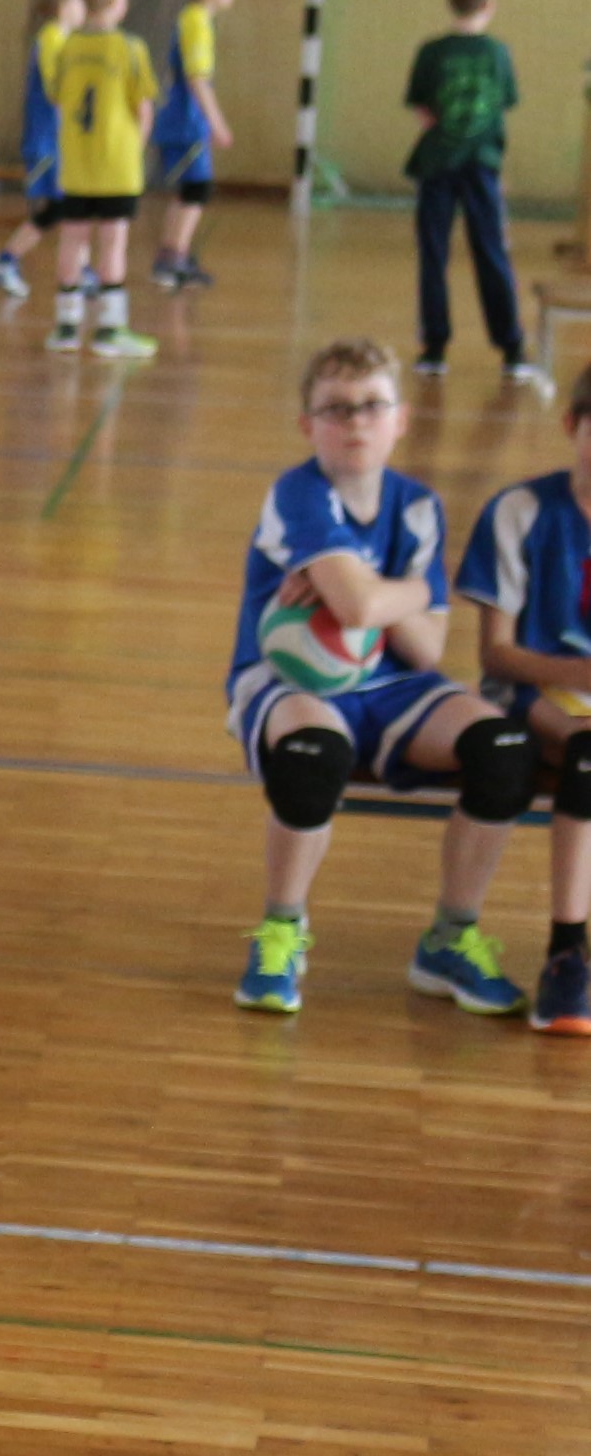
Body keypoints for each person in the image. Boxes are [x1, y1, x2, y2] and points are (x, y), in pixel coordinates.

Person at [227, 338, 531, 1016]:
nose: (356, 422)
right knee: (313, 756)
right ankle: (281, 931)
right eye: (336, 409)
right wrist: (410, 590)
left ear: (401, 420)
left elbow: (424, 649)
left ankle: (450, 938)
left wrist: (368, 591)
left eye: (372, 406)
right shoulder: (299, 494)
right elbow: (362, 609)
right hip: (289, 681)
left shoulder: (418, 506)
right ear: (307, 425)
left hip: (394, 685)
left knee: (504, 750)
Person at [452, 365, 591, 1031]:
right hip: (531, 690)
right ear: (571, 426)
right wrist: (578, 673)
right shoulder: (522, 511)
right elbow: (496, 654)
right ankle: (567, 953)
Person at [404, 0, 550, 388]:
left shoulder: (431, 51)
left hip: (437, 164)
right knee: (492, 252)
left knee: (434, 254)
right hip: (481, 166)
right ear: (488, 4)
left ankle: (434, 349)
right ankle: (512, 350)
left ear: (451, 1)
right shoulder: (498, 53)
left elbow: (423, 109)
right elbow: (501, 106)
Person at [45, 0, 157, 360]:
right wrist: (136, 147)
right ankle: (109, 329)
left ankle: (66, 326)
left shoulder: (68, 48)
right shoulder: (130, 49)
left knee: (72, 240)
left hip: (76, 165)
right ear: (115, 2)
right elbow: (143, 108)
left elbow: (59, 100)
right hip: (116, 166)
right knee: (112, 243)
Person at [0, 0, 83, 299]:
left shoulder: (62, 39)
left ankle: (6, 260)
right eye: (78, 1)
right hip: (46, 142)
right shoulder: (52, 38)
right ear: (63, 7)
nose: (83, 7)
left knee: (60, 209)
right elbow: (58, 93)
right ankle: (10, 261)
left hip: (54, 142)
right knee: (68, 208)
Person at [148, 0, 235, 290]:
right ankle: (173, 259)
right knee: (197, 189)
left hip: (183, 119)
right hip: (187, 120)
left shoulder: (194, 18)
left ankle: (171, 257)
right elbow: (196, 77)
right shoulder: (197, 21)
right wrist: (216, 122)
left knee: (189, 190)